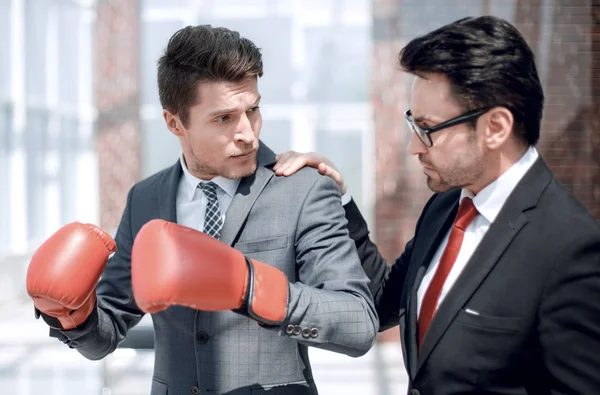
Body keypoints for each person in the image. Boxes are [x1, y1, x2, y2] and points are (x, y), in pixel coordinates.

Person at [25, 25, 378, 395]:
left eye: (253, 110)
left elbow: (358, 324)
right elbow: (106, 333)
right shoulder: (145, 199)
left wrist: (253, 288)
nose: (248, 133)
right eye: (223, 118)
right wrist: (71, 315)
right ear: (174, 123)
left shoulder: (303, 190)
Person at [274, 15, 600, 395]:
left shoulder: (572, 249)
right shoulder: (447, 206)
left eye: (427, 130)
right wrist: (339, 198)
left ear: (495, 127)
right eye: (414, 125)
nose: (415, 147)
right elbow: (383, 302)